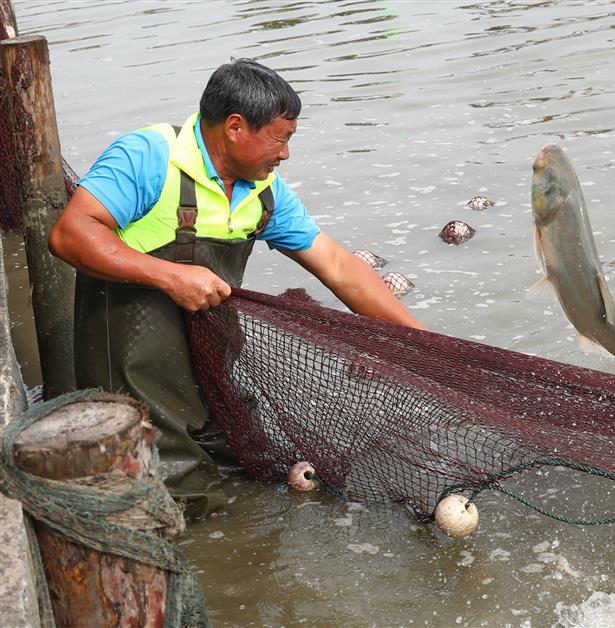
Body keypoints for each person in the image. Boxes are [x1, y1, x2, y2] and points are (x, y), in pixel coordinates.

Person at [48, 58, 426, 519]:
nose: (285, 154)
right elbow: (69, 234)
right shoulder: (148, 156)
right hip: (130, 382)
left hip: (208, 373)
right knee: (174, 500)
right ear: (234, 127)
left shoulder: (263, 191)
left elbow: (340, 267)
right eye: (280, 137)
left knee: (255, 481)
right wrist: (168, 275)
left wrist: (423, 346)